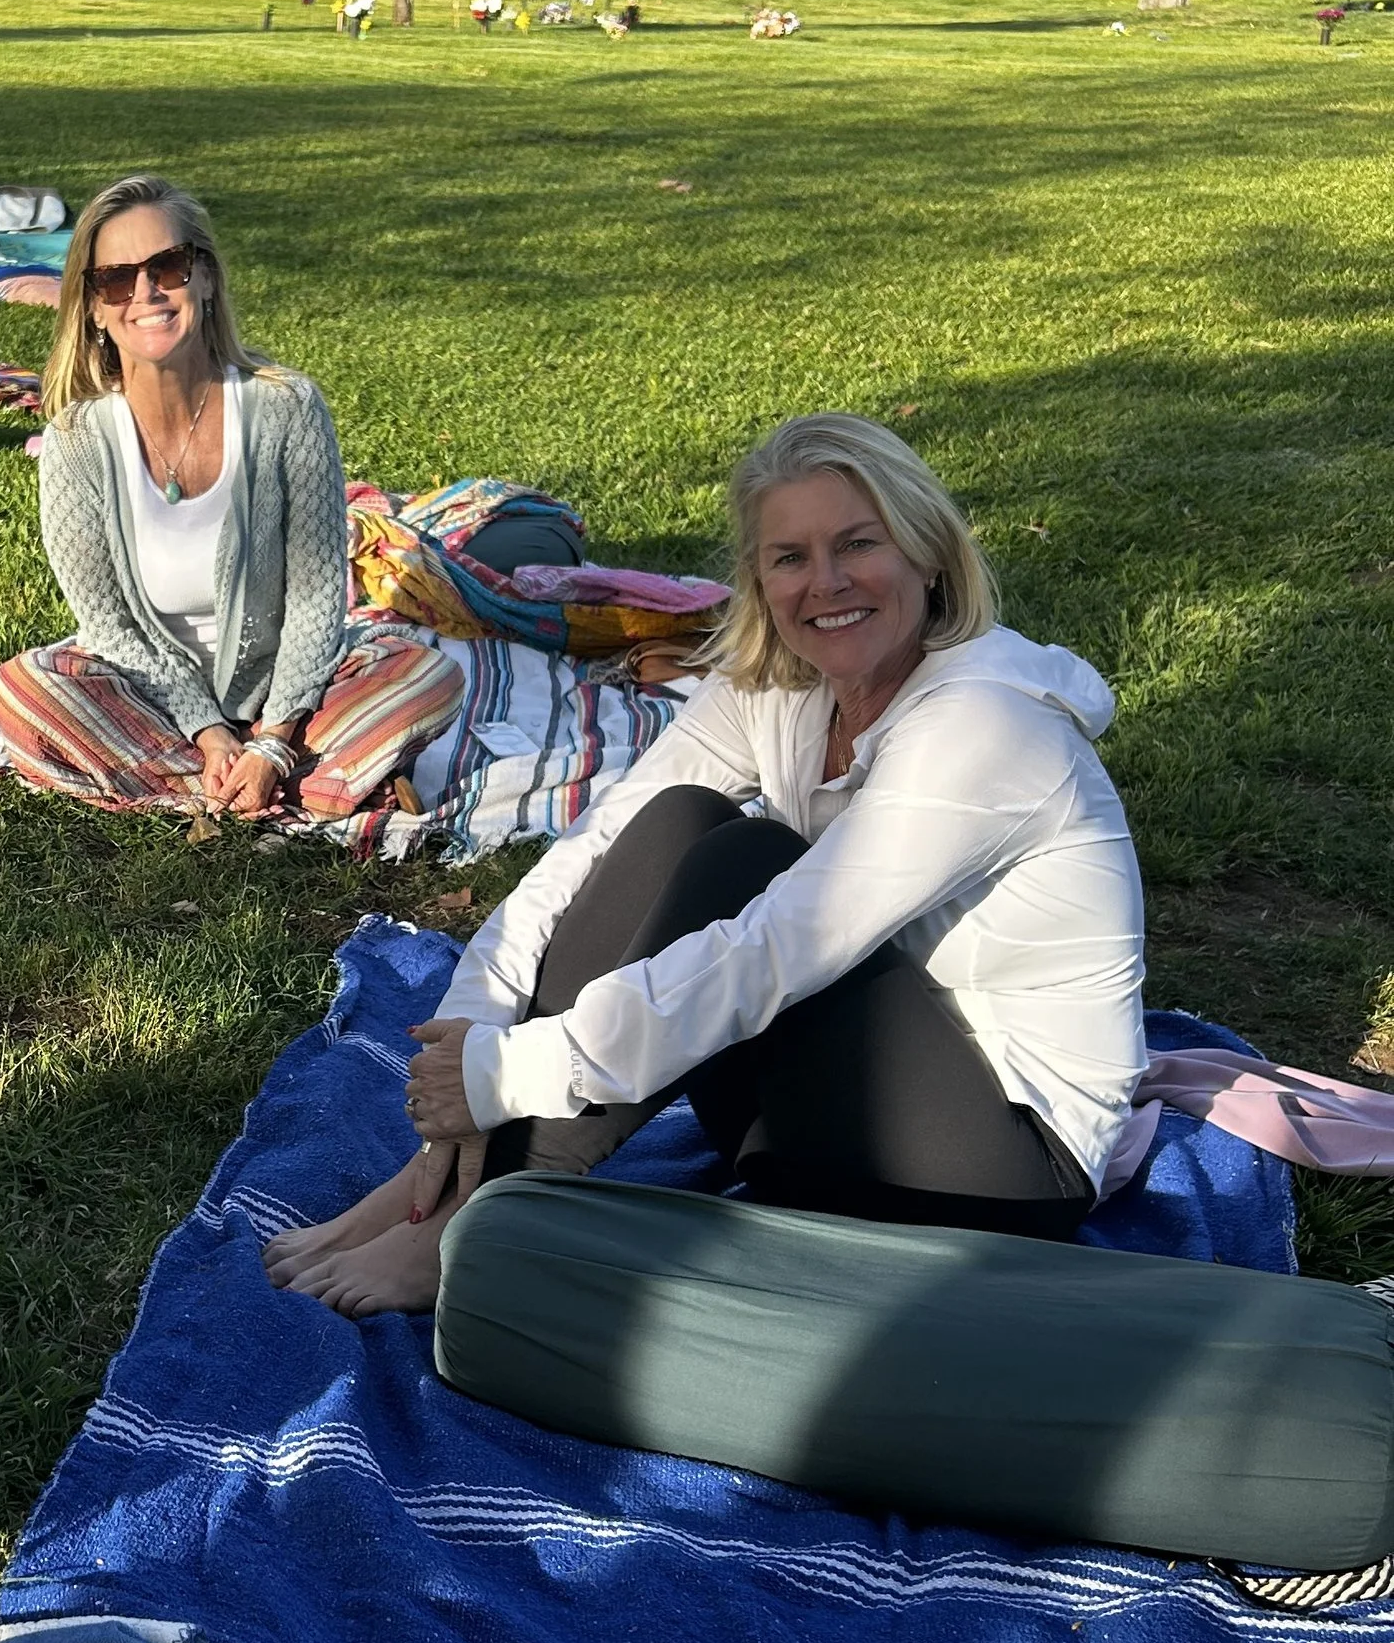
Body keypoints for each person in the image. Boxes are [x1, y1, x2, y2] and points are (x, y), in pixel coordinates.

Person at [268, 413, 1145, 1312]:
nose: (827, 582)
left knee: (748, 864)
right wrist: (471, 1028)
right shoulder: (788, 683)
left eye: (858, 543)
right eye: (790, 557)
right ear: (760, 581)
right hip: (835, 1107)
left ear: (926, 551)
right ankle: (452, 1182)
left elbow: (774, 950)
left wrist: (507, 1073)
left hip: (1001, 1168)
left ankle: (480, 1218)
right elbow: (600, 841)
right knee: (681, 816)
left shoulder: (986, 725)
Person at [0, 175, 459, 825]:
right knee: (24, 689)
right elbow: (109, 627)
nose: (147, 293)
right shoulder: (76, 443)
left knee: (427, 673)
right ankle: (290, 788)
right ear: (93, 307)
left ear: (205, 277)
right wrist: (208, 729)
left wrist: (271, 736)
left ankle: (237, 781)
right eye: (117, 279)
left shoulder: (286, 407)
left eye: (168, 266)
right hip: (152, 693)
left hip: (292, 693)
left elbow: (319, 597)